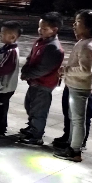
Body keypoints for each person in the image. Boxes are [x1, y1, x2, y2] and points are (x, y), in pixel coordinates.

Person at [53, 10, 92, 161]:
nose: (74, 25)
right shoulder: (84, 42)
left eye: (78, 22)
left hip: (79, 88)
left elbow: (86, 70)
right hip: (74, 86)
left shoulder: (87, 46)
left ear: (89, 27)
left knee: (78, 120)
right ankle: (70, 143)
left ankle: (75, 151)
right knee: (74, 118)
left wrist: (66, 70)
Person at [16, 12, 65, 145]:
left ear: (54, 30)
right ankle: (32, 127)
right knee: (30, 105)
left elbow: (44, 69)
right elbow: (30, 57)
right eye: (40, 27)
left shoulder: (54, 48)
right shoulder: (40, 41)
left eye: (44, 28)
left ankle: (36, 135)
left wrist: (28, 74)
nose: (40, 30)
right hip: (34, 82)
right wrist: (26, 69)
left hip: (44, 85)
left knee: (39, 110)